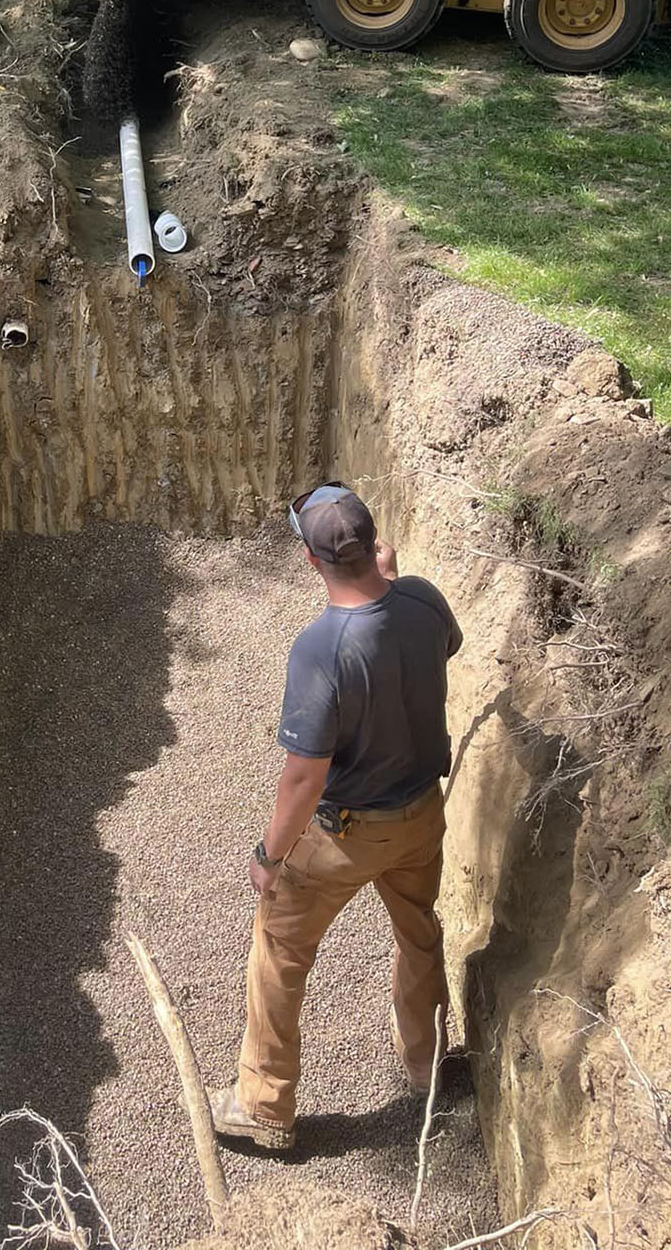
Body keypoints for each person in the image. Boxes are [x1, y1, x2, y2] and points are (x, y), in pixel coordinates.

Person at [208, 482, 463, 1153]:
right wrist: (397, 588)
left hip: (345, 833)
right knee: (418, 933)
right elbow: (437, 645)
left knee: (281, 949)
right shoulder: (426, 601)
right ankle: (425, 1063)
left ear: (311, 563)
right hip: (421, 819)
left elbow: (303, 775)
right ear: (378, 544)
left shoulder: (320, 650)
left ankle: (264, 1103)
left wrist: (269, 858)